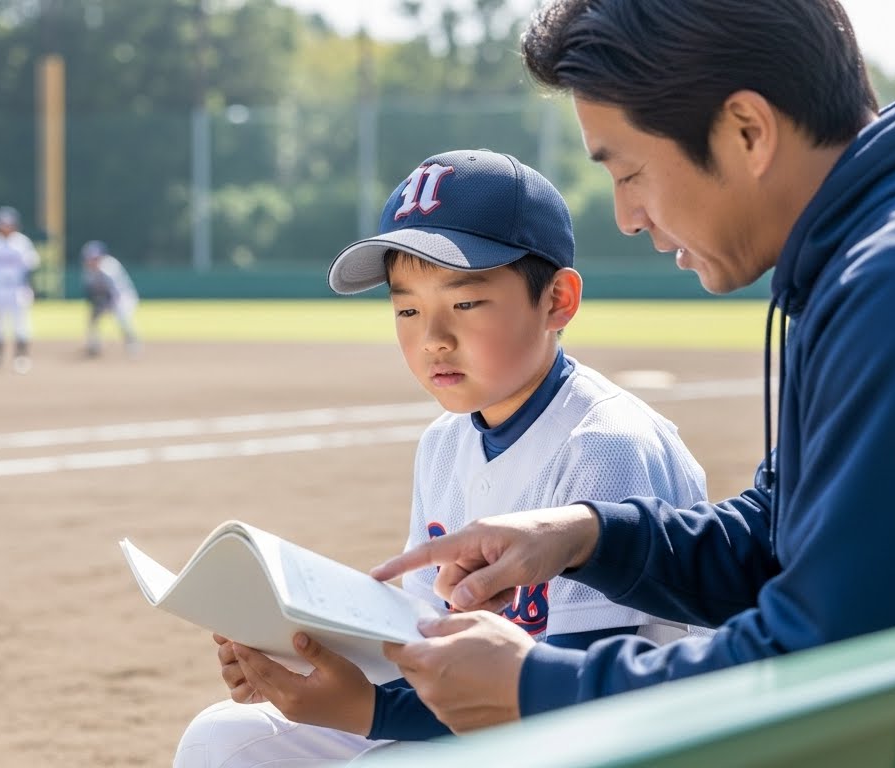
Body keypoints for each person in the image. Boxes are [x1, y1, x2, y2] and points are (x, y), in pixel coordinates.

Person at [367, 0, 895, 735]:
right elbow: (776, 540)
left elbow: (830, 664)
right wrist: (584, 537)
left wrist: (533, 687)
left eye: (629, 171)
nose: (627, 217)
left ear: (746, 132)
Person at [173, 148, 711, 767]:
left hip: (623, 739)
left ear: (558, 300)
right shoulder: (445, 442)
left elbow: (579, 703)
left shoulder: (604, 445)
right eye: (407, 308)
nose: (433, 338)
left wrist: (367, 710)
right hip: (499, 718)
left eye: (465, 303)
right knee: (225, 739)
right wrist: (304, 666)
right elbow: (425, 645)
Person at [0, 206, 40, 373]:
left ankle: (21, 357)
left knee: (21, 324)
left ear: (15, 224)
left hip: (18, 288)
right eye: (1, 224)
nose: (4, 227)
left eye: (7, 224)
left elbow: (30, 267)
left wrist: (30, 287)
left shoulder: (22, 242)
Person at [80, 240, 141, 358]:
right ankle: (94, 346)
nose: (92, 260)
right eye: (90, 258)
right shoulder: (87, 271)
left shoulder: (109, 267)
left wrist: (103, 302)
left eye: (95, 258)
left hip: (123, 296)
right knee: (92, 318)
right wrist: (96, 304)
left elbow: (114, 292)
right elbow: (89, 291)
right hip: (106, 297)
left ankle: (132, 343)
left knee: (123, 319)